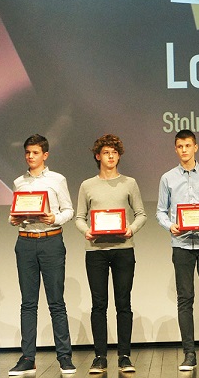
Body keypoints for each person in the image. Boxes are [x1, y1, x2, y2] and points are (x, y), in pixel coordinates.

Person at [75, 134, 147, 374]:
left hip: (123, 249)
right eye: (106, 153)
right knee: (99, 305)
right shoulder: (87, 185)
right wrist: (86, 231)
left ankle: (124, 356)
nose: (111, 156)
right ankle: (100, 357)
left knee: (123, 303)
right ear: (98, 156)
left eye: (114, 153)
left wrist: (131, 229)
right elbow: (79, 217)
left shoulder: (129, 183)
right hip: (96, 251)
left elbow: (141, 214)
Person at [156, 129, 199, 371]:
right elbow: (160, 211)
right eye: (180, 146)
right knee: (185, 299)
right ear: (175, 149)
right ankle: (189, 353)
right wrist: (170, 225)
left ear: (196, 147)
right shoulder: (167, 178)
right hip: (182, 244)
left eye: (188, 145)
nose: (184, 150)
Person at [8, 134, 76, 375]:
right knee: (28, 303)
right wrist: (13, 219)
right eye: (27, 152)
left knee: (56, 302)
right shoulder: (19, 182)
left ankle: (64, 357)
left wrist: (54, 218)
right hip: (25, 242)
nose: (30, 156)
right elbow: (13, 213)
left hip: (51, 241)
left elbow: (69, 210)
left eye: (35, 152)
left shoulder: (57, 180)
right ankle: (28, 357)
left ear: (45, 155)